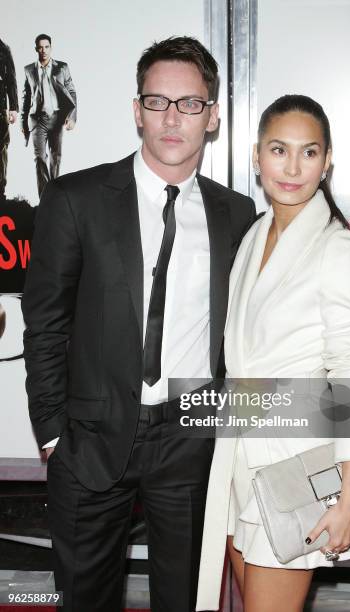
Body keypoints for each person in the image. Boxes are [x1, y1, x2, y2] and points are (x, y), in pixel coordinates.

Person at [22, 36, 255, 612]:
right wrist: (53, 435)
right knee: (85, 599)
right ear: (136, 111)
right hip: (90, 441)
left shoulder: (237, 214)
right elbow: (45, 324)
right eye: (158, 102)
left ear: (213, 117)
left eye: (190, 104)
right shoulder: (75, 199)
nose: (173, 118)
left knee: (187, 599)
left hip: (191, 437)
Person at [196, 95, 350, 612]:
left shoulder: (338, 249)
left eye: (309, 152)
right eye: (279, 150)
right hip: (237, 466)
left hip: (294, 473)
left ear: (327, 161)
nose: (293, 167)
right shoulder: (255, 234)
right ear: (257, 157)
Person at [21, 34, 77, 197]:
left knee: (55, 158)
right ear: (36, 49)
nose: (43, 50)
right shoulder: (29, 70)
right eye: (40, 47)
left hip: (57, 118)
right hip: (38, 120)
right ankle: (45, 198)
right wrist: (23, 124)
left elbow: (71, 91)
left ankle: (54, 196)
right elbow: (26, 98)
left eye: (46, 47)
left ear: (50, 48)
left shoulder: (62, 67)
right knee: (39, 158)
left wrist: (72, 116)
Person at [0, 38, 19, 200]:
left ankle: (0, 191)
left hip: (0, 107)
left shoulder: (4, 49)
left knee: (1, 147)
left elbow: (11, 79)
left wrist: (13, 107)